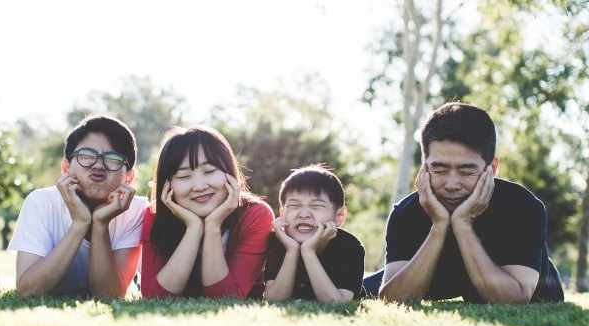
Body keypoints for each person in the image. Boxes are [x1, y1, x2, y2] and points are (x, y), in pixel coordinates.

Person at [363, 102, 564, 303]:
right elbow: (393, 299)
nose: (452, 184)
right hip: (438, 276)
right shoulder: (405, 213)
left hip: (523, 282)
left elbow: (515, 299)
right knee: (357, 289)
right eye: (440, 170)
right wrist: (439, 226)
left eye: (467, 171)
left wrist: (463, 225)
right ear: (424, 167)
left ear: (491, 169)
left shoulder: (523, 207)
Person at [11, 115, 147, 298]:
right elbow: (28, 291)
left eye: (113, 159)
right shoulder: (41, 203)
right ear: (66, 167)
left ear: (129, 177)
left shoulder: (136, 210)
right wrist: (80, 223)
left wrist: (100, 224)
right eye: (86, 156)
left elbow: (109, 297)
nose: (98, 165)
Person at [140, 125, 274, 298]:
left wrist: (213, 226)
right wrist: (193, 229)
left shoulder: (255, 215)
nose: (200, 186)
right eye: (184, 176)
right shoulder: (154, 217)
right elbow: (155, 297)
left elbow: (225, 298)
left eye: (210, 171)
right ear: (168, 184)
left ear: (229, 172)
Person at [264, 165, 365, 302]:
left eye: (316, 206)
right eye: (294, 206)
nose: (304, 214)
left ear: (339, 216)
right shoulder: (278, 240)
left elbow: (337, 304)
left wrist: (308, 251)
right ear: (282, 215)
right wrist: (292, 251)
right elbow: (273, 300)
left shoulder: (350, 246)